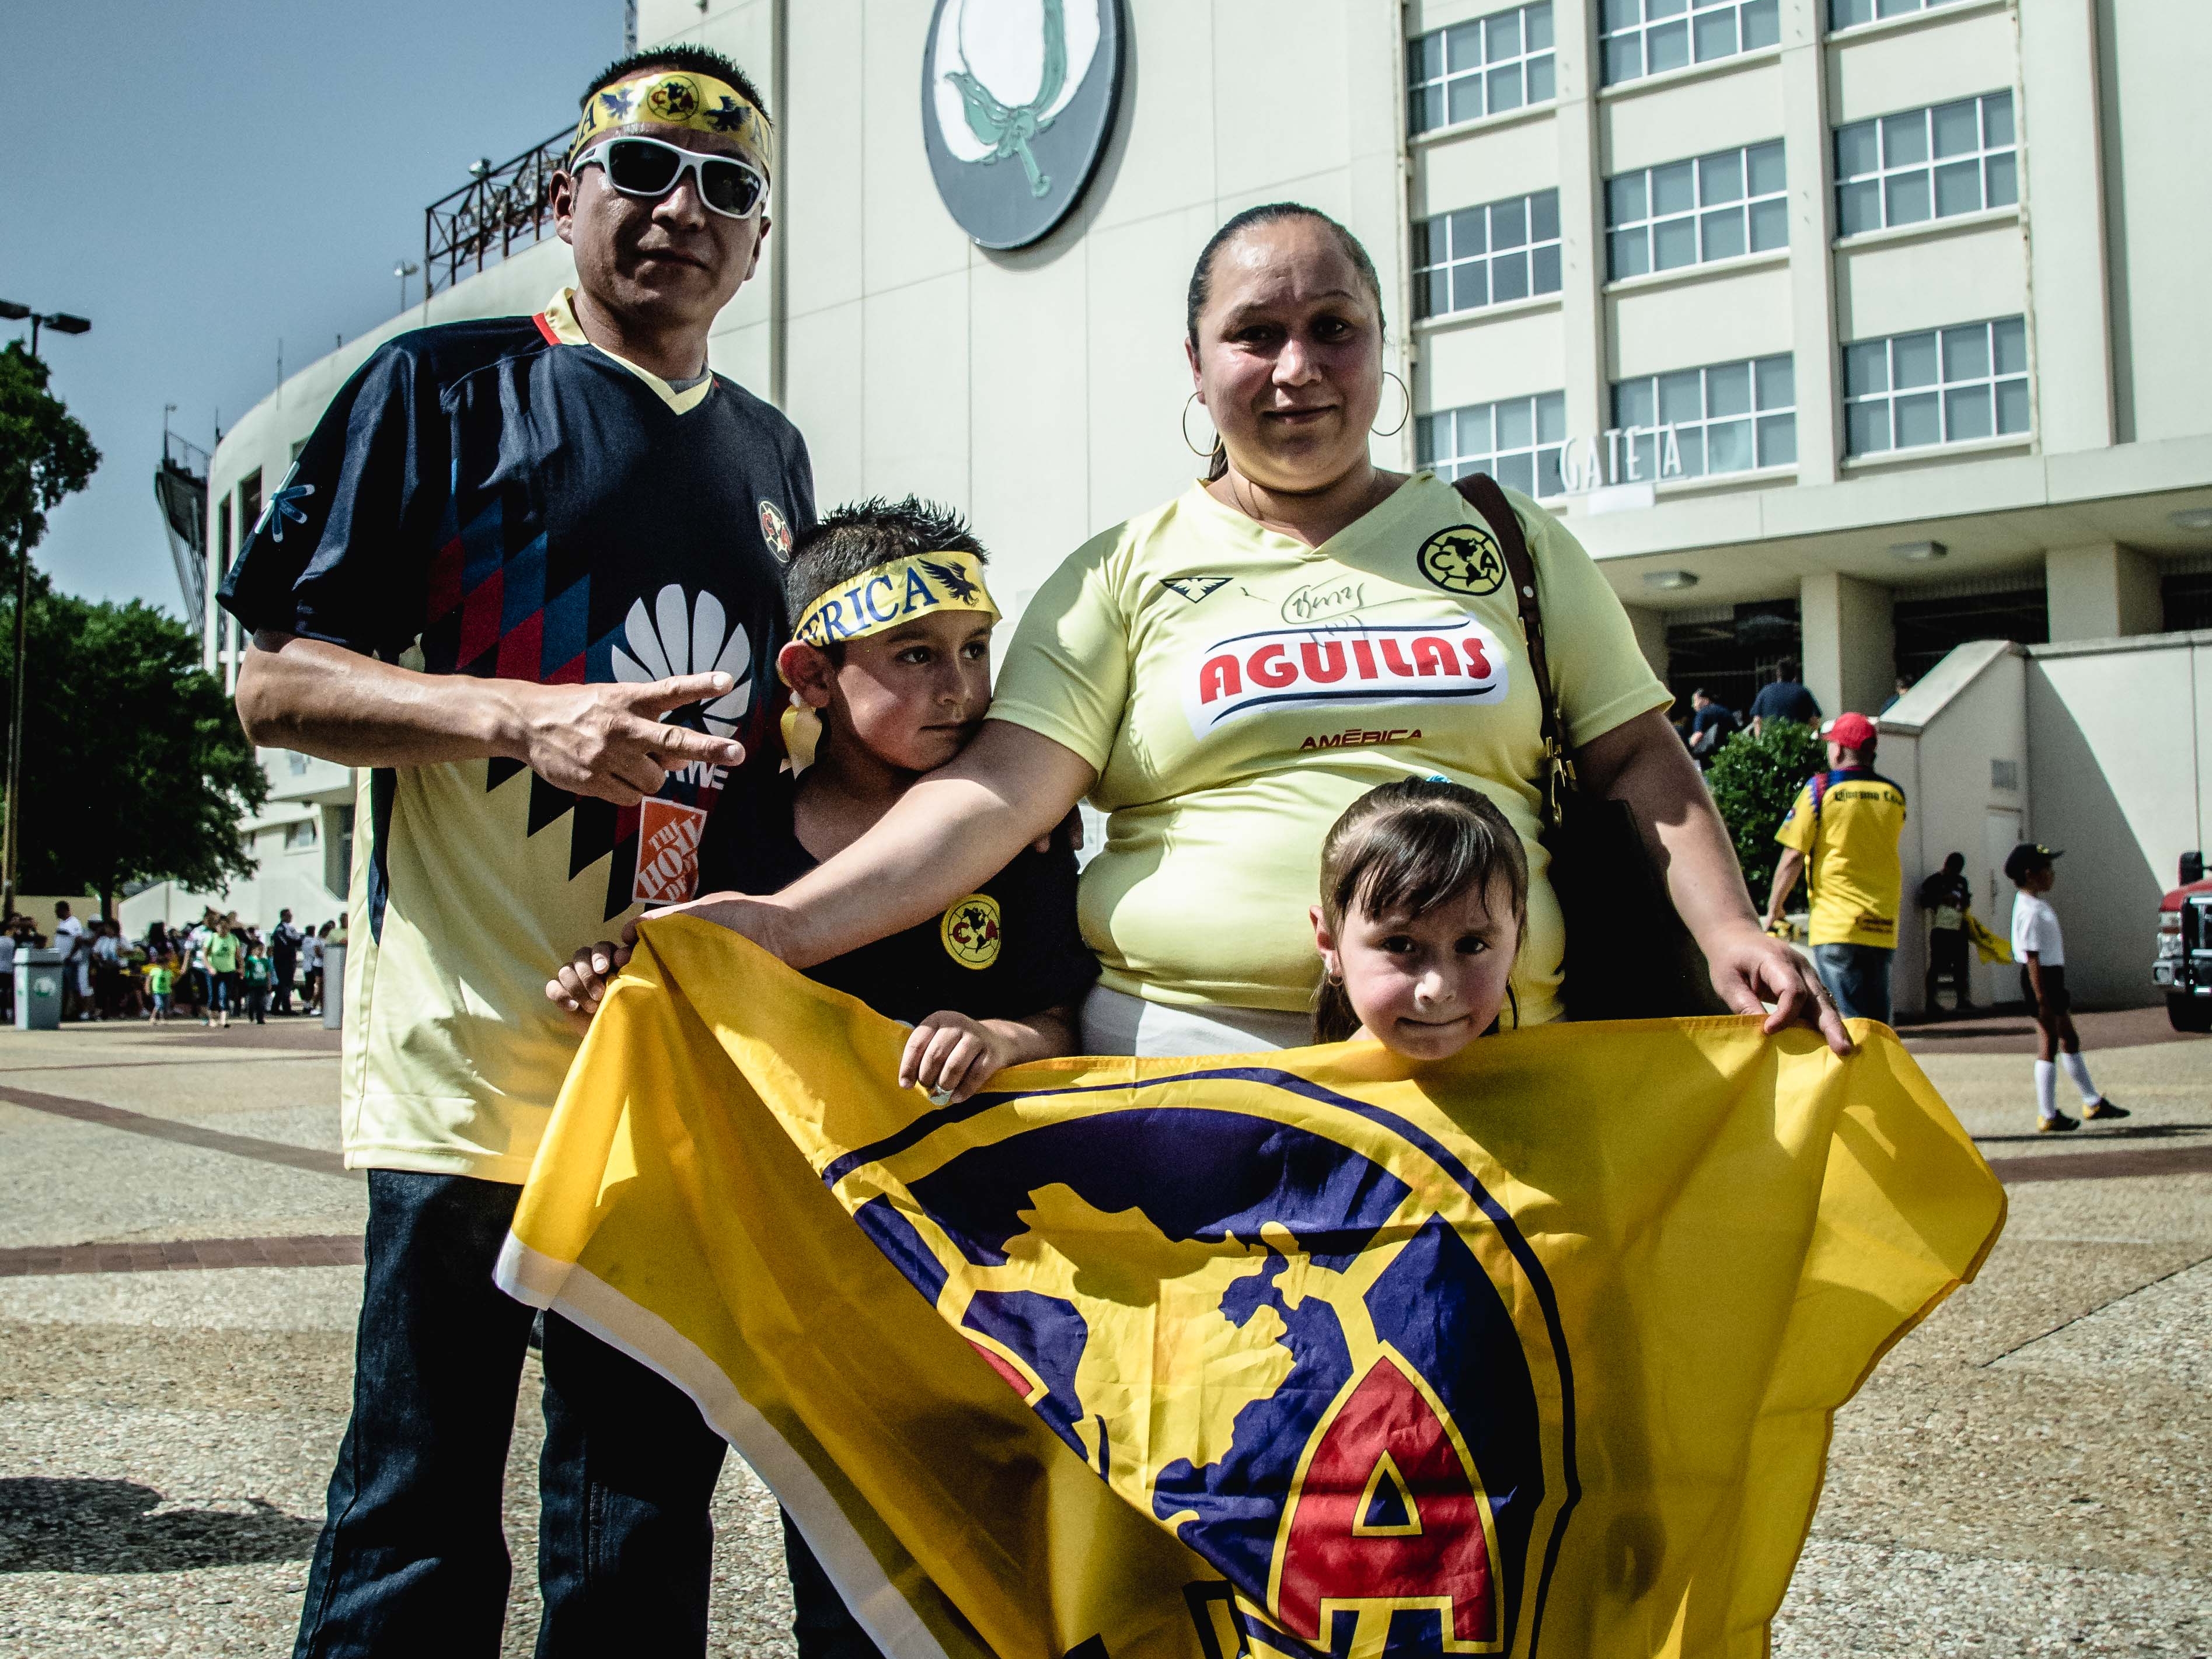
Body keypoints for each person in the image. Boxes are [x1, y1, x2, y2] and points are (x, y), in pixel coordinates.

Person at [589, 201, 1847, 1060]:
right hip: (1191, 1075)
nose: (1295, 364)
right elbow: (995, 797)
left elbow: (1638, 759)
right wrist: (789, 924)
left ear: (1379, 346)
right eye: (1253, 334)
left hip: (1495, 1056)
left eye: (1331, 328)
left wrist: (1731, 928)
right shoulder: (1122, 571)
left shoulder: (1504, 536)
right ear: (1195, 366)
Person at [223, 43, 809, 1657]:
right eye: (639, 169)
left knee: (636, 1526)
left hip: (661, 1084)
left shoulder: (773, 461)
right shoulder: (441, 390)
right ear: (567, 200)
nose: (679, 210)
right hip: (463, 1067)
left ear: (755, 244)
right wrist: (524, 721)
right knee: (414, 1515)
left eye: (726, 188)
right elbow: (274, 679)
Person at [557, 500, 1096, 1655]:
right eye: (914, 654)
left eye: (972, 649)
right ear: (809, 670)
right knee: (631, 1518)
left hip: (934, 1269)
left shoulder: (1018, 834)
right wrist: (623, 973)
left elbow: (1057, 1011)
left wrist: (1002, 1038)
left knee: (890, 1575)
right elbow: (677, 959)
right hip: (756, 1241)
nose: (959, 684)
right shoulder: (729, 824)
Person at [1309, 778, 1527, 1056]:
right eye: (1399, 945)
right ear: (1329, 943)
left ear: (1515, 943)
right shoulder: (1283, 1096)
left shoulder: (1566, 1092)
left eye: (1472, 945)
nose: (1436, 989)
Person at [1762, 713, 1906, 1024]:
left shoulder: (1821, 788)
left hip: (1837, 925)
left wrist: (1775, 908)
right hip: (1881, 924)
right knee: (1877, 1026)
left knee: (1844, 1024)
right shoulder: (1895, 795)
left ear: (1838, 750)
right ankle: (1878, 1073)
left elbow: (1793, 856)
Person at [2007, 843, 2127, 1133]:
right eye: (2047, 868)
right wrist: (2041, 999)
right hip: (2043, 981)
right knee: (2049, 1042)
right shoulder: (2031, 911)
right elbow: (2032, 957)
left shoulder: (2036, 905)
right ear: (2030, 874)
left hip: (2052, 978)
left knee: (2069, 1039)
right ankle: (2048, 1114)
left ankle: (2092, 1101)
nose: (2052, 874)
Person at [1918, 850, 1976, 1014]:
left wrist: (1961, 902)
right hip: (1941, 928)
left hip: (1958, 927)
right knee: (1937, 964)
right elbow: (1924, 900)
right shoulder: (1935, 881)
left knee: (1961, 964)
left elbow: (1966, 900)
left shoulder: (1961, 882)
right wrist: (1942, 899)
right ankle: (1931, 1001)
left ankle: (1962, 999)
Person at [1748, 656, 1821, 737]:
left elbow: (1757, 720)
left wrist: (1759, 742)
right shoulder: (1803, 692)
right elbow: (1814, 720)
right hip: (1797, 742)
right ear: (1795, 675)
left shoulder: (1765, 692)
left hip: (1771, 743)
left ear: (1778, 674)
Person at [1686, 687, 1739, 770]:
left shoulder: (1702, 713)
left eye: (1695, 701)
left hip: (1710, 761)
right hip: (1730, 755)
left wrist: (1687, 747)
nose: (1693, 705)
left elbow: (1698, 735)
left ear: (1706, 700)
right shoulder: (1723, 710)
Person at [204, 916, 241, 1029]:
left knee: (225, 995)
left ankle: (224, 1019)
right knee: (213, 996)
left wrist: (242, 968)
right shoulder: (212, 938)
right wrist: (210, 968)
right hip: (214, 971)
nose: (224, 929)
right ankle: (212, 1019)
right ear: (217, 927)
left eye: (226, 927)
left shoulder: (233, 939)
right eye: (221, 927)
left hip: (229, 970)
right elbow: (204, 956)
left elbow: (238, 956)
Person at [51, 901, 86, 1021]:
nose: (55, 913)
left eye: (57, 910)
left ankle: (80, 1011)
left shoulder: (74, 922)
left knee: (74, 987)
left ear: (64, 910)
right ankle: (64, 1012)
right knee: (63, 988)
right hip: (62, 961)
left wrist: (70, 956)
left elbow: (79, 940)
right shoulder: (62, 923)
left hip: (71, 961)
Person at [270, 909, 301, 1016]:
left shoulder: (289, 928)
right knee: (286, 983)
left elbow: (298, 941)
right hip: (284, 960)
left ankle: (276, 1007)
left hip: (288, 959)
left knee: (284, 983)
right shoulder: (281, 929)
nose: (290, 917)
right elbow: (288, 942)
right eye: (288, 915)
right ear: (283, 916)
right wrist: (292, 943)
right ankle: (286, 1007)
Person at [242, 942, 273, 1025]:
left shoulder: (265, 961)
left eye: (262, 950)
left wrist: (269, 983)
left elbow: (268, 973)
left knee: (262, 1002)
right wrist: (245, 978)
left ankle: (260, 1018)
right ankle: (251, 1014)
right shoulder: (250, 960)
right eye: (258, 949)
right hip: (252, 984)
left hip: (262, 984)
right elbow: (246, 971)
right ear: (253, 950)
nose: (260, 952)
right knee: (252, 1001)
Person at [147, 956, 175, 1024]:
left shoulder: (169, 972)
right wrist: (147, 988)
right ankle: (152, 1017)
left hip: (167, 992)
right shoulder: (155, 971)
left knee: (165, 1006)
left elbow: (172, 982)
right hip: (157, 991)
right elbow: (149, 979)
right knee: (159, 1004)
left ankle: (162, 1018)